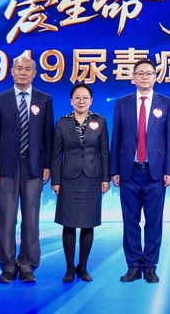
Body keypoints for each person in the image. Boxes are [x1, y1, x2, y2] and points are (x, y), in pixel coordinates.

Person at [0, 56, 54, 284]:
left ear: (34, 73)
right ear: (12, 72)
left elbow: (48, 135)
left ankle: (27, 265)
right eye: (19, 68)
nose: (23, 72)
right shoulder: (0, 99)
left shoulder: (44, 99)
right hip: (6, 167)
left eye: (27, 69)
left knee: (31, 219)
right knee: (6, 219)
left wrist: (48, 165)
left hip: (34, 166)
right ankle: (7, 266)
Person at [110, 59, 170, 284]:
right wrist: (114, 169)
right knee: (130, 220)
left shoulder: (166, 103)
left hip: (155, 172)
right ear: (134, 77)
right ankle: (132, 266)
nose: (145, 77)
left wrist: (169, 169)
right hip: (129, 171)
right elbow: (116, 136)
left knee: (154, 221)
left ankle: (149, 266)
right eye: (140, 73)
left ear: (155, 77)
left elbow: (169, 138)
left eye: (149, 73)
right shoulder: (123, 103)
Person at [51, 83, 110, 284]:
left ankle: (83, 267)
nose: (81, 101)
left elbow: (104, 152)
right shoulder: (62, 123)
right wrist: (56, 180)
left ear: (91, 101)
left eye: (85, 98)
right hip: (68, 178)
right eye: (77, 97)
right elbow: (56, 154)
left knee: (88, 224)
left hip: (92, 178)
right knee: (68, 224)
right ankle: (69, 268)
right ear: (71, 101)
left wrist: (105, 178)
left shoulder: (100, 121)